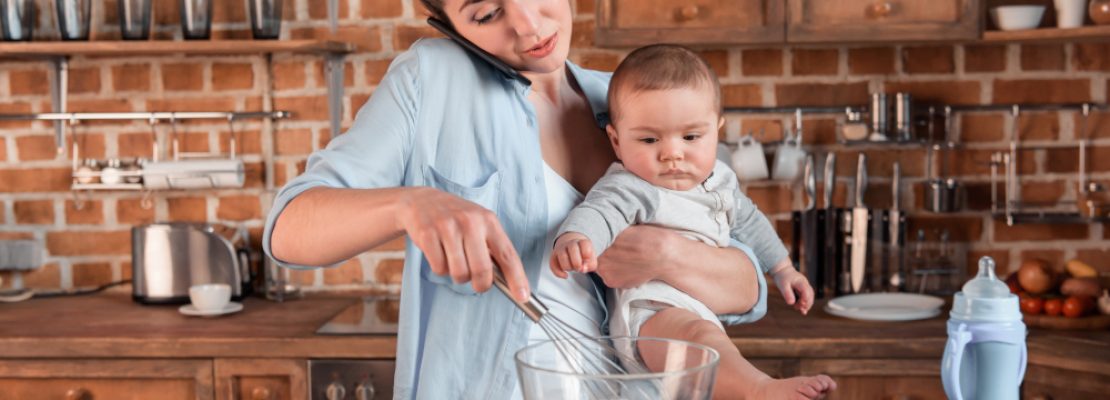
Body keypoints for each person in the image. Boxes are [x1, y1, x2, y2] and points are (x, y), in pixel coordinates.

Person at [264, 1, 769, 398]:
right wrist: (408, 205)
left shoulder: (625, 100)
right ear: (448, 23)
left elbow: (747, 289)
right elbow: (288, 229)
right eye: (487, 13)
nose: (528, 25)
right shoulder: (430, 79)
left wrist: (666, 255)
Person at [551, 44, 836, 399]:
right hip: (650, 310)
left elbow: (751, 223)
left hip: (702, 306)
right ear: (616, 140)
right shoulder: (632, 185)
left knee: (710, 345)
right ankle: (760, 389)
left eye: (690, 137)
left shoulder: (721, 181)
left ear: (717, 130)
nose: (672, 153)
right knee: (699, 338)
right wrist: (575, 237)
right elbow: (599, 212)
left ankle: (753, 387)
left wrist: (784, 270)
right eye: (649, 139)